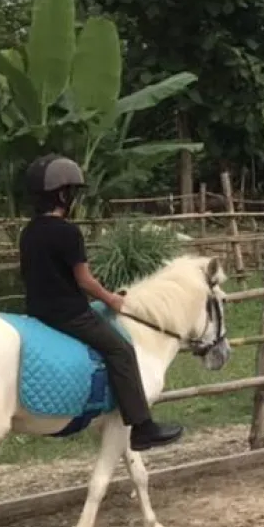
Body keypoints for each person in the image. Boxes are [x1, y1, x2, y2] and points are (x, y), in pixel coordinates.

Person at [18, 154, 185, 450]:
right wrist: (112, 300)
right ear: (61, 194)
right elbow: (84, 280)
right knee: (120, 350)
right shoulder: (67, 232)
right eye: (71, 192)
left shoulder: (29, 232)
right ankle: (142, 427)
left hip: (37, 312)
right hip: (69, 314)